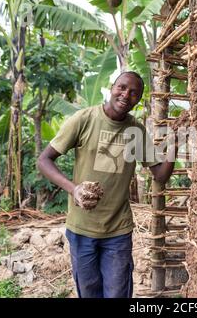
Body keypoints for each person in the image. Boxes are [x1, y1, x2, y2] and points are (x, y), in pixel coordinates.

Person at [37, 71, 175, 298]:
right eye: (122, 88)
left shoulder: (136, 131)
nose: (125, 95)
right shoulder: (84, 119)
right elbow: (44, 160)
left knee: (118, 293)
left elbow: (160, 175)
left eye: (134, 93)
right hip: (81, 227)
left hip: (117, 231)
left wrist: (173, 147)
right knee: (89, 292)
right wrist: (75, 189)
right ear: (112, 87)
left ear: (139, 100)